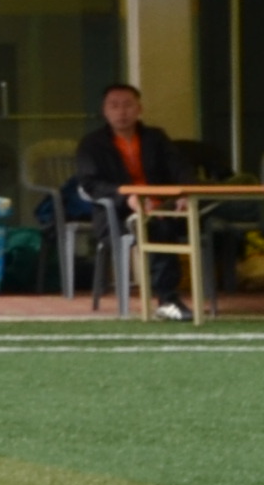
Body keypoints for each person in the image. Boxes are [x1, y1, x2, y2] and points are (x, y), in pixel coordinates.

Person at [70, 82, 193, 313]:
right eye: (114, 106)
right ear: (104, 111)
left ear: (139, 109)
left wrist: (185, 192)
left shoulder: (155, 137)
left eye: (128, 105)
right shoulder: (92, 144)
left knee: (211, 218)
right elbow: (90, 184)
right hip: (117, 213)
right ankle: (168, 299)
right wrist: (125, 197)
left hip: (163, 206)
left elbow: (180, 167)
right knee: (158, 228)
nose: (122, 112)